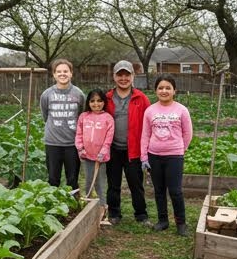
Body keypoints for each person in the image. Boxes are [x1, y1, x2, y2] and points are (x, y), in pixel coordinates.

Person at [141, 75, 193, 236]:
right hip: (154, 156)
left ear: (174, 91)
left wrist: (180, 148)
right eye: (161, 88)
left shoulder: (181, 110)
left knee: (175, 191)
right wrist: (144, 157)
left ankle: (181, 223)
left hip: (174, 157)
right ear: (156, 91)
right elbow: (145, 135)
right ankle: (163, 221)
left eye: (168, 88)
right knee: (159, 190)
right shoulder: (150, 111)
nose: (164, 91)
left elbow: (188, 133)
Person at [105, 60, 152, 226]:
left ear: (133, 76)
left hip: (134, 150)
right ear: (114, 76)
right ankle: (114, 213)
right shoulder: (107, 98)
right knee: (113, 184)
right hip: (113, 149)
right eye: (120, 75)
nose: (123, 78)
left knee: (136, 184)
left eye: (127, 75)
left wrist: (147, 148)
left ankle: (141, 215)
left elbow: (149, 123)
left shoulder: (141, 98)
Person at [41, 58, 85, 190]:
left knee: (72, 179)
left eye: (65, 71)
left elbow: (81, 115)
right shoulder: (46, 94)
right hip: (52, 143)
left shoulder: (79, 94)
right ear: (54, 74)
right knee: (53, 179)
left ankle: (73, 201)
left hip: (72, 143)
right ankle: (54, 202)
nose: (62, 74)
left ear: (71, 73)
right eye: (59, 71)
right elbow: (45, 115)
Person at [75, 88, 114, 213]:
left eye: (99, 101)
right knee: (88, 182)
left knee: (100, 183)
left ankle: (102, 208)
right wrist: (80, 149)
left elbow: (108, 138)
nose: (96, 104)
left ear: (104, 102)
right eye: (92, 101)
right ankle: (88, 207)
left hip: (100, 159)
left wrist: (103, 152)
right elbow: (79, 134)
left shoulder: (108, 118)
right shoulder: (83, 116)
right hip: (87, 156)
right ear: (88, 102)